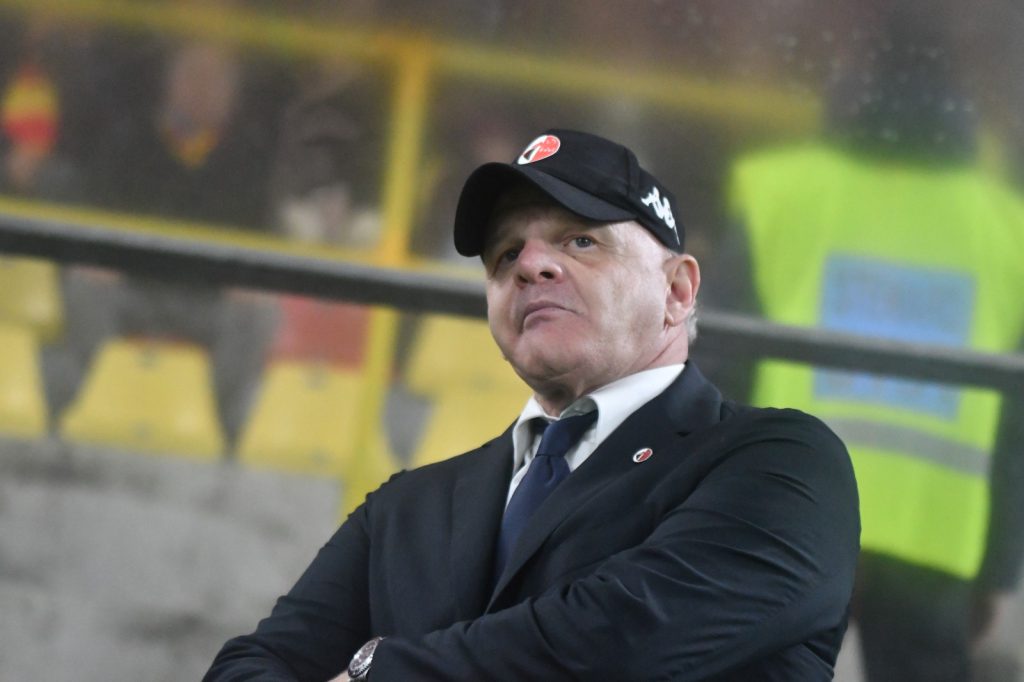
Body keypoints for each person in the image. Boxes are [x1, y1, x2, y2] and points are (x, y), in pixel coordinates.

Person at [205, 129, 860, 681]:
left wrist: (373, 669)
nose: (529, 266)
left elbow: (616, 643)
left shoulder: (784, 466)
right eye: (506, 253)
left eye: (580, 241)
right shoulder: (405, 509)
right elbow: (253, 666)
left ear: (678, 291)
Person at [718, 19, 1024, 681]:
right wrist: (997, 569)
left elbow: (715, 365)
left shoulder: (784, 196)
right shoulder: (1007, 230)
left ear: (852, 84)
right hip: (934, 531)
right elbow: (1015, 420)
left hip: (789, 510)